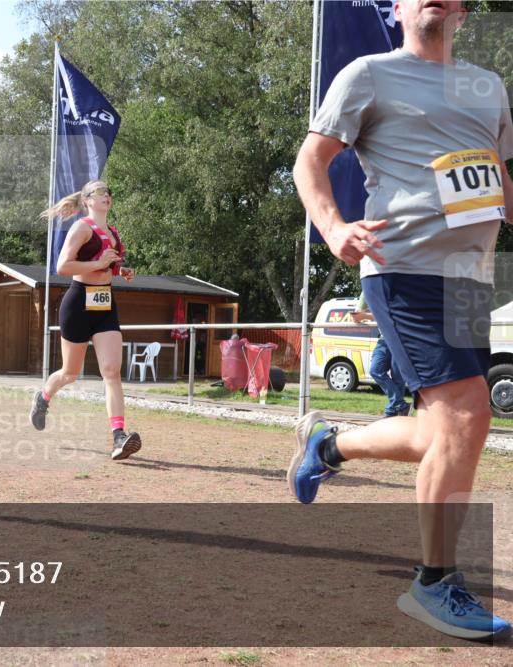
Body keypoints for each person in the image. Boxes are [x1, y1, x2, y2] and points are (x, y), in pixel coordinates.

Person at [289, 0, 512, 641]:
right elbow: (311, 161)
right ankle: (433, 582)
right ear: (397, 7)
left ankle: (328, 445)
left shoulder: (487, 87)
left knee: (444, 431)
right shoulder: (369, 73)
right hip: (402, 266)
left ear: (465, 12)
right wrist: (332, 228)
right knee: (468, 416)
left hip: (470, 278)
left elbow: (496, 179)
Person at [28, 179, 141, 461]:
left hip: (104, 304)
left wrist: (119, 270)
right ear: (88, 199)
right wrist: (99, 264)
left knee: (111, 371)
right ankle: (43, 398)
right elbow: (62, 266)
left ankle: (118, 437)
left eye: (109, 192)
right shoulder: (82, 227)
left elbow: (105, 266)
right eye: (101, 192)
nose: (107, 196)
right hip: (78, 303)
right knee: (70, 372)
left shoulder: (112, 233)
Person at [350, 294, 410, 417]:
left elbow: (392, 315)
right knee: (375, 370)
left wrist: (366, 316)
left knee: (398, 378)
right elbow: (356, 317)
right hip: (384, 339)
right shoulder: (367, 291)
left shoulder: (397, 287)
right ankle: (400, 405)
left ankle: (390, 415)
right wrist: (359, 316)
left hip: (401, 339)